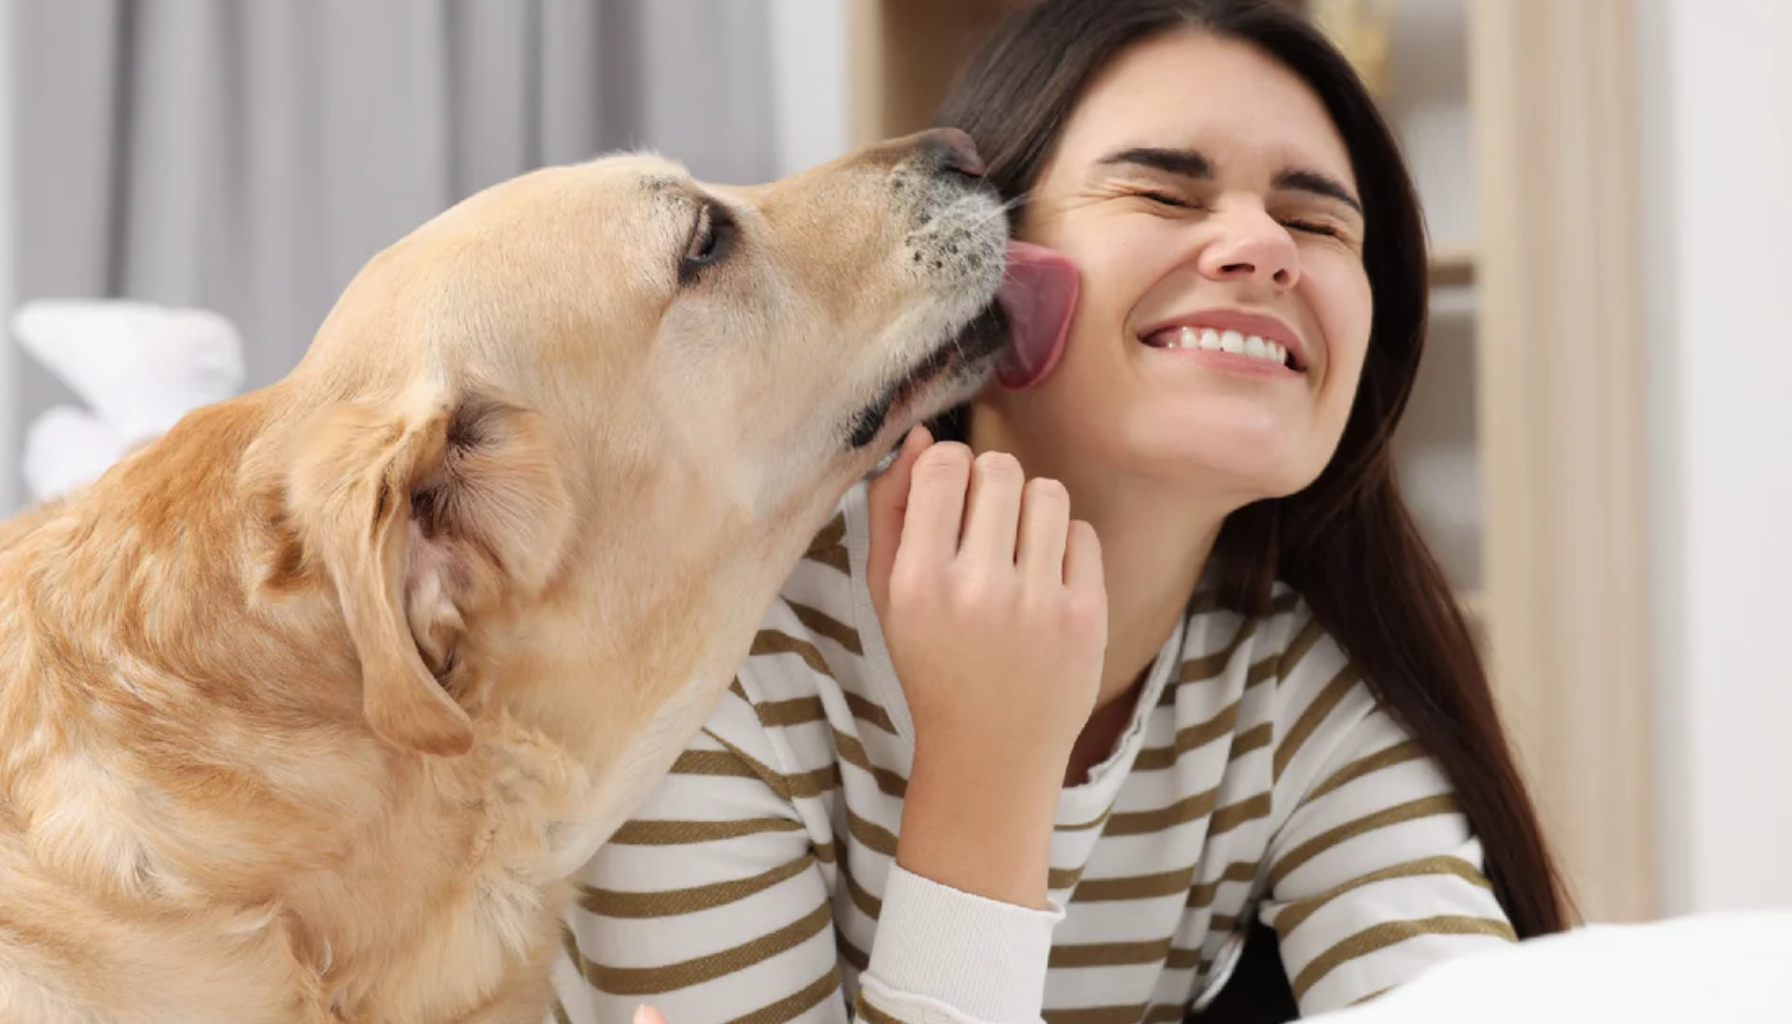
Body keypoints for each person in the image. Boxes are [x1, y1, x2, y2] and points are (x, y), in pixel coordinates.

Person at [550, 0, 1571, 1021]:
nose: (1264, 248)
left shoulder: (1296, 696)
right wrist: (989, 761)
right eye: (1164, 192)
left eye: (1315, 223)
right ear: (986, 277)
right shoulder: (726, 673)